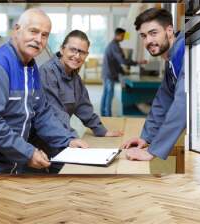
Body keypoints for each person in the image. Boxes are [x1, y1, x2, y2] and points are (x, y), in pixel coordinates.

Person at [0, 8, 88, 174]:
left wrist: (67, 140)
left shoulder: (31, 68)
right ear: (17, 30)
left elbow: (41, 113)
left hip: (15, 162)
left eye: (45, 35)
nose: (38, 39)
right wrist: (27, 153)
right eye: (34, 31)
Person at [29, 30, 123, 156]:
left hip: (61, 137)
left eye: (82, 52)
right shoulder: (48, 73)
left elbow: (83, 106)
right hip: (41, 143)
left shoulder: (74, 77)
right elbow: (54, 113)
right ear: (62, 49)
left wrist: (101, 130)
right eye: (73, 50)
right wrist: (72, 138)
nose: (77, 56)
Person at [121, 8, 186, 161]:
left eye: (153, 33)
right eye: (144, 36)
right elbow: (163, 100)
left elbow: (183, 104)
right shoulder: (171, 57)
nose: (148, 41)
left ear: (169, 30)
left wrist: (153, 151)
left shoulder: (184, 51)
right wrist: (146, 138)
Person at [100, 28, 143, 117]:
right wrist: (137, 62)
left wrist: (123, 72)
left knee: (105, 94)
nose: (123, 38)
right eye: (123, 36)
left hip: (106, 73)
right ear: (118, 35)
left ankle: (103, 114)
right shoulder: (115, 46)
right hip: (110, 75)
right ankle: (108, 116)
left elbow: (116, 62)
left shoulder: (112, 45)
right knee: (109, 96)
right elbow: (122, 61)